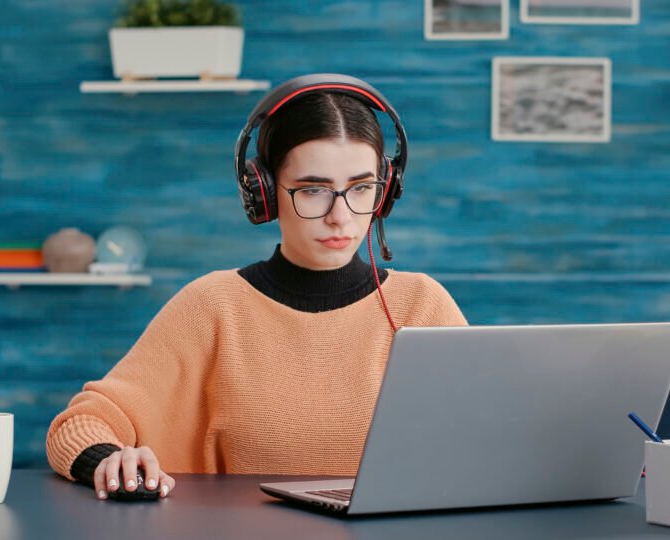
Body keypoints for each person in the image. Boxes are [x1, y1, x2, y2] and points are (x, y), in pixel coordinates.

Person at [46, 75, 467, 501]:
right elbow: (79, 425)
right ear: (263, 192)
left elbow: (491, 433)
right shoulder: (212, 306)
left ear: (386, 188)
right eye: (314, 190)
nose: (341, 216)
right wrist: (107, 459)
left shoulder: (423, 307)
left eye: (361, 188)